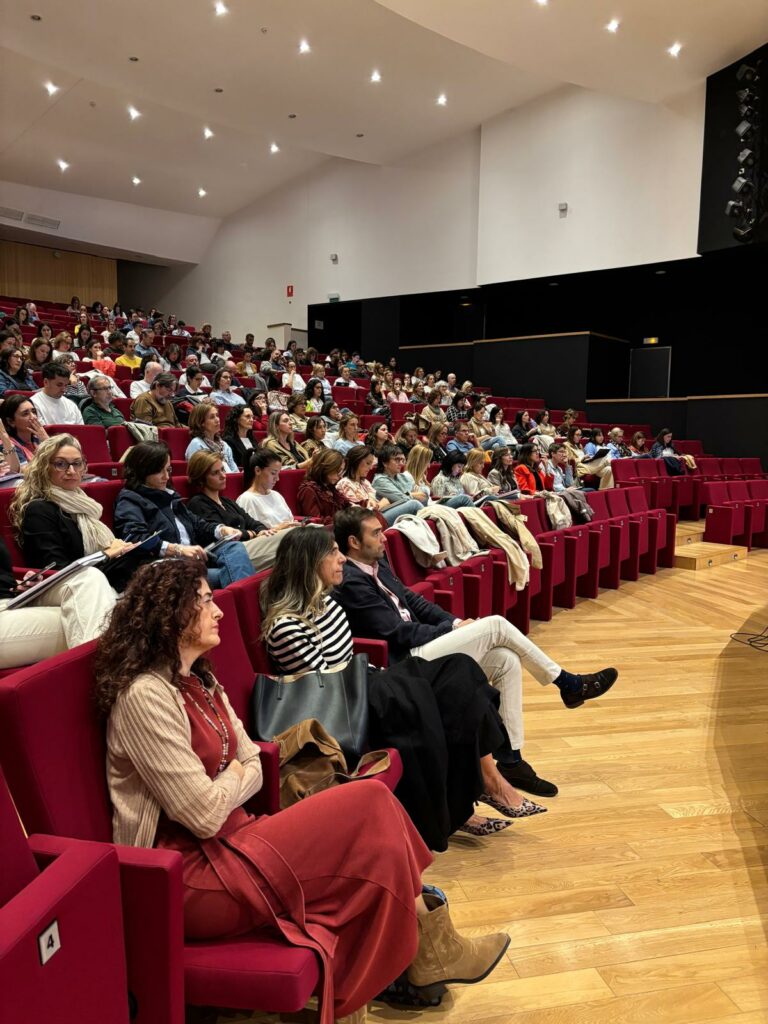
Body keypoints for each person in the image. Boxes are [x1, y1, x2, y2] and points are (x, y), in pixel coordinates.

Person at [98, 557, 509, 1023]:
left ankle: (421, 955)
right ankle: (424, 954)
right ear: (169, 612)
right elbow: (204, 814)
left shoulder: (200, 680)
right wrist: (238, 772)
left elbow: (255, 754)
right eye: (206, 601)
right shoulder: (144, 698)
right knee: (369, 803)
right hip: (190, 875)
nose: (219, 612)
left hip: (239, 839)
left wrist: (235, 772)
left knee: (372, 818)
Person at [264, 524, 532, 845]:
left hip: (369, 682)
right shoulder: (285, 627)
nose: (342, 560)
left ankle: (485, 782)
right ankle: (465, 802)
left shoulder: (329, 605)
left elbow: (348, 657)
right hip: (348, 704)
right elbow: (326, 687)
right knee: (426, 696)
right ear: (309, 562)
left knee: (460, 671)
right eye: (333, 553)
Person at [334, 507, 619, 797]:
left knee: (505, 660)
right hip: (404, 661)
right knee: (495, 624)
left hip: (422, 645)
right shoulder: (351, 581)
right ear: (354, 542)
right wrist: (450, 632)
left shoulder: (378, 564)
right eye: (375, 533)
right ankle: (568, 684)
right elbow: (396, 632)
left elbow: (413, 601)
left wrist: (454, 621)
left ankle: (511, 760)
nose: (384, 538)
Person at [9, 435, 138, 593]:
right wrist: (107, 554)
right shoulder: (39, 509)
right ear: (44, 467)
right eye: (61, 464)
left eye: (77, 463)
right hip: (70, 586)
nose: (71, 471)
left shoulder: (82, 502)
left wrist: (121, 550)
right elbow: (56, 568)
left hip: (99, 577)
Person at [113, 442, 252, 588]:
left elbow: (198, 524)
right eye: (159, 471)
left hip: (193, 561)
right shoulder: (130, 499)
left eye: (168, 470)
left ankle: (240, 602)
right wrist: (178, 549)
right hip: (166, 569)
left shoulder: (169, 496)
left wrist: (221, 529)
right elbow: (136, 539)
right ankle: (244, 605)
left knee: (234, 548)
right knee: (233, 573)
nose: (166, 476)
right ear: (143, 470)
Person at [185, 451, 288, 571]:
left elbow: (254, 523)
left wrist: (258, 531)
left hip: (248, 546)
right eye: (215, 473)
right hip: (233, 554)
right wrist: (252, 533)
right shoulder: (198, 503)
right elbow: (226, 537)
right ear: (202, 478)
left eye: (223, 470)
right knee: (294, 538)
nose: (223, 475)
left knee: (305, 535)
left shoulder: (227, 501)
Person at [337, 444, 421, 525]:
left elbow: (379, 503)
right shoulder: (345, 483)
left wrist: (380, 504)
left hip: (377, 515)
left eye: (371, 464)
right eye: (368, 463)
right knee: (413, 505)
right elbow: (358, 513)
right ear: (356, 462)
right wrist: (381, 504)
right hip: (367, 521)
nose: (370, 468)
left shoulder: (365, 482)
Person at [236, 450, 298, 529]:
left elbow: (290, 519)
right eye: (273, 473)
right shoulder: (246, 499)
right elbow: (250, 534)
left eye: (278, 474)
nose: (277, 479)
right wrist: (278, 529)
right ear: (258, 470)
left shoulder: (276, 495)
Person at [407, 444, 473, 509]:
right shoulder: (407, 477)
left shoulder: (422, 478)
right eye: (427, 462)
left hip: (432, 505)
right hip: (430, 508)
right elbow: (405, 499)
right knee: (464, 499)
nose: (429, 466)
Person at [296, 448, 351, 524]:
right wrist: (344, 521)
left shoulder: (329, 487)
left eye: (341, 472)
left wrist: (364, 504)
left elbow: (347, 505)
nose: (340, 476)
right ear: (325, 469)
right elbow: (315, 521)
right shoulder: (309, 490)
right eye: (337, 471)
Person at [185, 403, 238, 473]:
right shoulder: (196, 444)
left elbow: (235, 471)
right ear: (201, 423)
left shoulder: (224, 445)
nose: (217, 420)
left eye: (217, 415)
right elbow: (198, 474)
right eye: (212, 417)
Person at [373, 444, 429, 510]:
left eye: (402, 460)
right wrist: (411, 494)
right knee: (414, 504)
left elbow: (424, 496)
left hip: (407, 511)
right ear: (385, 463)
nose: (401, 463)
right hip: (387, 513)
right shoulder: (380, 481)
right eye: (397, 460)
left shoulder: (403, 477)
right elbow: (403, 500)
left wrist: (407, 494)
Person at [1, 394, 48, 466]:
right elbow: (25, 472)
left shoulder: (39, 438)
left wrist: (47, 441)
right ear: (10, 421)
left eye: (34, 412)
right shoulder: (7, 445)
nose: (33, 417)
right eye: (25, 414)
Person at [222, 405, 257, 470]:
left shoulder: (252, 439)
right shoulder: (229, 441)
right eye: (247, 416)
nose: (252, 420)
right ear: (237, 419)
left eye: (252, 417)